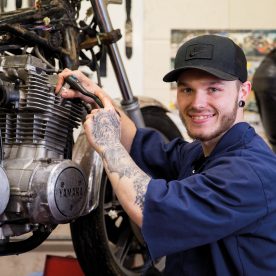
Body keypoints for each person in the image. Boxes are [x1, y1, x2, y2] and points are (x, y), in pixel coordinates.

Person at [56, 35, 276, 275]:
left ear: (243, 91)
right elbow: (139, 144)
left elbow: (151, 209)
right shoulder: (201, 153)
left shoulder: (251, 172)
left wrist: (108, 145)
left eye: (213, 89)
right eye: (187, 89)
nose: (197, 103)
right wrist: (96, 96)